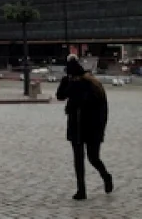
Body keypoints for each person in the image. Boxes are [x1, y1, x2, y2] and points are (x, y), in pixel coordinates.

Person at [56, 55, 113, 200]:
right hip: (76, 127)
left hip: (92, 128)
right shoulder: (71, 83)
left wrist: (100, 128)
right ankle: (81, 190)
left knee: (93, 158)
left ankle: (106, 176)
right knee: (78, 160)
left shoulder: (91, 85)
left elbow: (102, 109)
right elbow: (60, 96)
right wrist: (65, 82)